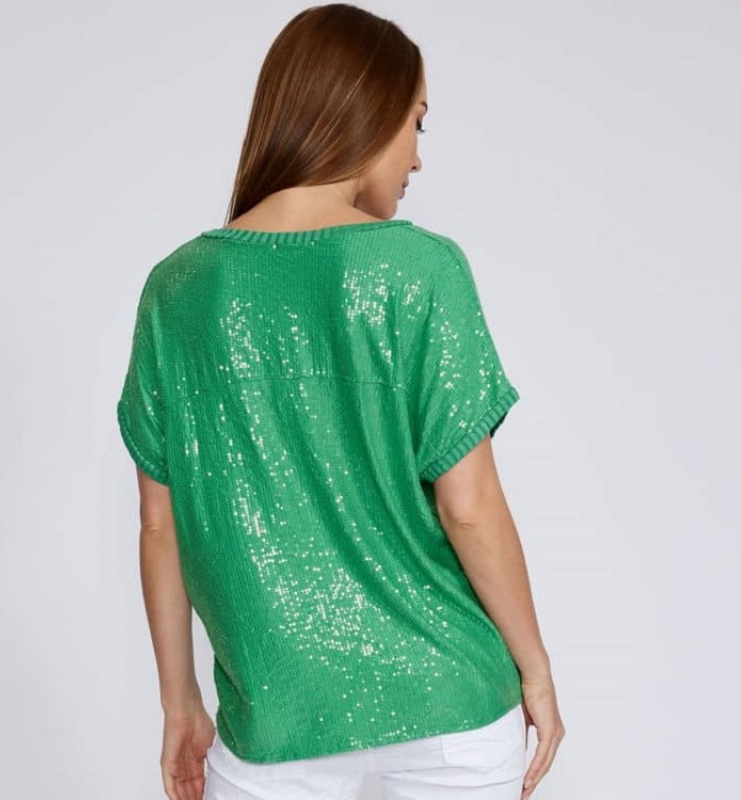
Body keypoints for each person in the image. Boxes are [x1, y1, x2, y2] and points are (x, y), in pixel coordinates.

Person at [115, 4, 566, 800]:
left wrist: (179, 703)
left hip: (272, 717)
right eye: (416, 122)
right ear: (366, 109)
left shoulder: (178, 289)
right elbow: (468, 505)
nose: (417, 157)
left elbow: (161, 524)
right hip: (450, 704)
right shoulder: (421, 268)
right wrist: (535, 667)